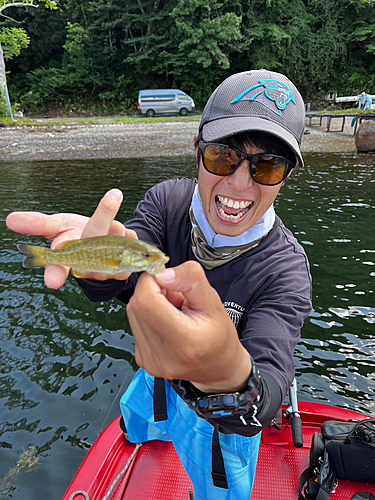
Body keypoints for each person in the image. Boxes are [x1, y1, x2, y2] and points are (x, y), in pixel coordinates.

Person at [6, 69, 312, 499]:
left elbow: (269, 389)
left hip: (221, 426)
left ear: (286, 177)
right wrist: (97, 269)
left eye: (268, 166)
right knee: (138, 424)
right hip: (155, 381)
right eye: (223, 157)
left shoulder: (287, 270)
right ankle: (144, 436)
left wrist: (226, 376)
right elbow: (122, 276)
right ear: (197, 149)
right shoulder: (166, 201)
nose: (240, 182)